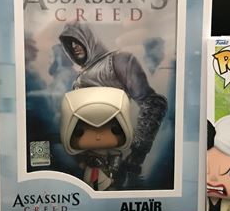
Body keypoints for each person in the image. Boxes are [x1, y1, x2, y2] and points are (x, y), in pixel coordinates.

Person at [59, 22, 167, 184]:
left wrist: (137, 152)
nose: (74, 46)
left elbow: (153, 103)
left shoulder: (118, 61)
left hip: (119, 150)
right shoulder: (79, 79)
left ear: (88, 38)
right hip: (90, 158)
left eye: (77, 40)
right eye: (69, 43)